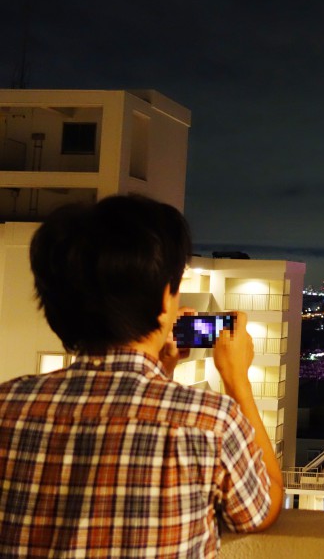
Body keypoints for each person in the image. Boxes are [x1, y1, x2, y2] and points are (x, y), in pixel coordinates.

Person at [0, 195, 283, 558]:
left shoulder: (9, 405)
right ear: (166, 299)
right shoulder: (208, 423)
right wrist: (237, 380)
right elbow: (262, 508)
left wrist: (162, 370)